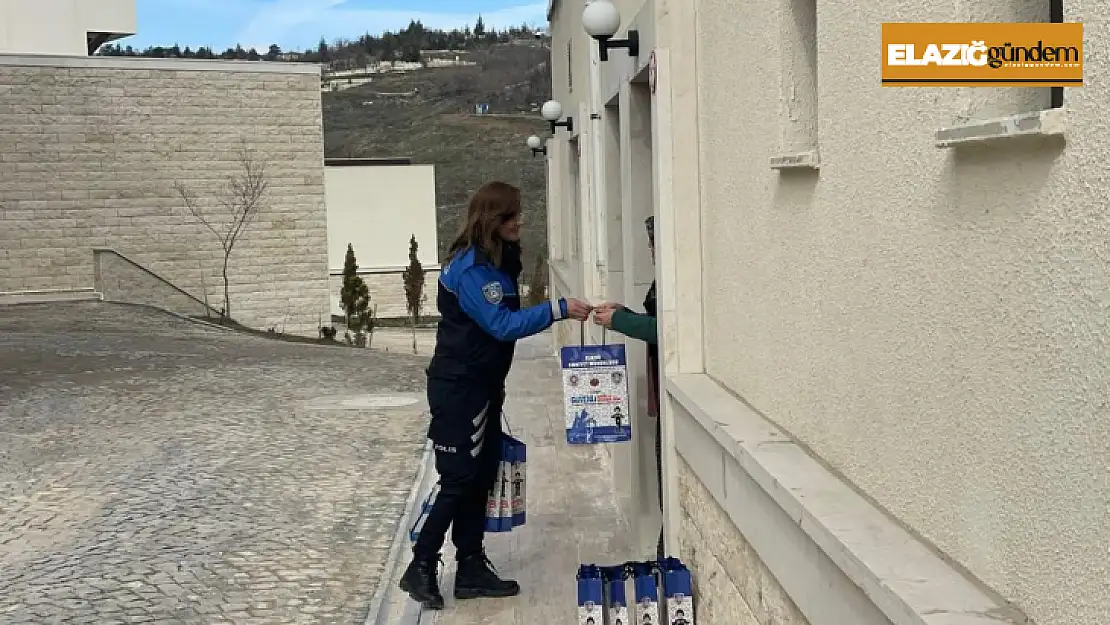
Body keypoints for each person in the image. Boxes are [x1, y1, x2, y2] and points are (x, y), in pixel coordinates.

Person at [400, 181, 592, 609]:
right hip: (458, 389)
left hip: (484, 385)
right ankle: (420, 565)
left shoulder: (498, 261)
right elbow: (501, 326)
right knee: (458, 479)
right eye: (512, 215)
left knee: (480, 476)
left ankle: (470, 566)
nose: (520, 220)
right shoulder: (470, 269)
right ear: (492, 219)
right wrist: (557, 310)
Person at [592, 216, 663, 558]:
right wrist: (625, 313)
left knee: (666, 486)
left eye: (653, 244)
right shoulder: (663, 276)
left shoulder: (676, 278)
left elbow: (665, 328)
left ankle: (664, 554)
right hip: (659, 392)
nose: (651, 251)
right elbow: (653, 320)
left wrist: (621, 321)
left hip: (667, 396)